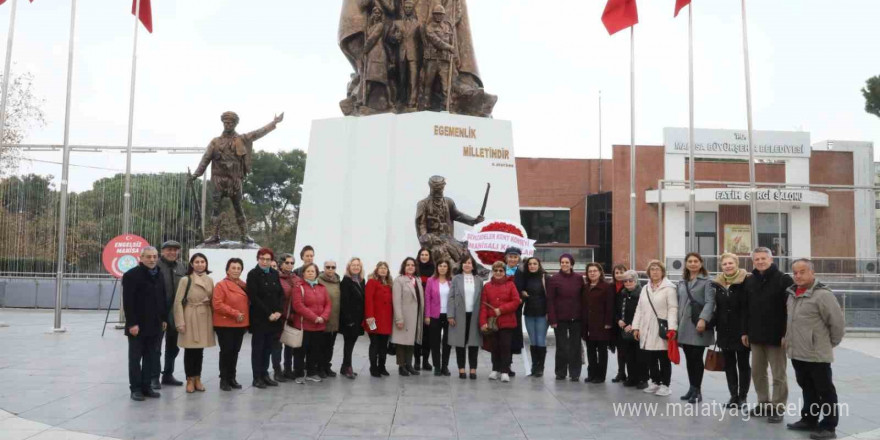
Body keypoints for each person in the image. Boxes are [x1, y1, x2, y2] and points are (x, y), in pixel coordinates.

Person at [784, 259, 845, 440]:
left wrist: (828, 343)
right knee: (807, 388)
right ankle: (809, 419)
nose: (798, 275)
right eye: (795, 272)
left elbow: (837, 324)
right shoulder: (792, 294)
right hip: (797, 352)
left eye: (802, 272)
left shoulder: (822, 295)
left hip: (817, 354)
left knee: (825, 390)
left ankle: (829, 426)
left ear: (812, 272)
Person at [742, 247, 793, 423]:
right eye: (757, 259)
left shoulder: (783, 279)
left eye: (763, 258)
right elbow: (746, 308)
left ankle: (778, 407)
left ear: (771, 260)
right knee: (757, 372)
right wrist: (745, 331)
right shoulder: (750, 280)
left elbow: (790, 309)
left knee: (778, 374)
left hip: (776, 336)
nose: (760, 262)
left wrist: (786, 333)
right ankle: (763, 404)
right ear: (753, 261)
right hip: (755, 335)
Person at [122, 247, 167, 401]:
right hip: (138, 326)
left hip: (155, 325)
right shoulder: (131, 275)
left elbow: (162, 299)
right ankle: (135, 388)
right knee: (135, 359)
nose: (152, 259)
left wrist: (164, 319)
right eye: (148, 257)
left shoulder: (159, 274)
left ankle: (146, 387)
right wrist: (132, 324)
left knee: (151, 357)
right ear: (140, 258)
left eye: (154, 256)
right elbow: (128, 302)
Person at [631, 260, 678, 397]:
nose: (655, 272)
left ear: (662, 271)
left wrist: (672, 328)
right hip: (646, 328)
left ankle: (665, 384)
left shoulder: (669, 288)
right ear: (648, 272)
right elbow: (639, 309)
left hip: (662, 328)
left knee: (663, 358)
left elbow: (673, 309)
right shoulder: (645, 288)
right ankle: (655, 381)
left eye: (658, 269)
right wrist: (636, 327)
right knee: (650, 357)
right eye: (652, 269)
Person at [675, 252, 716, 403]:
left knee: (696, 358)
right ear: (686, 264)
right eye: (690, 261)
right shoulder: (682, 282)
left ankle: (697, 391)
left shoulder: (707, 281)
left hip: (698, 325)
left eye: (696, 261)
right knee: (689, 359)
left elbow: (710, 302)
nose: (693, 263)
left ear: (701, 263)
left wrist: (703, 319)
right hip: (684, 326)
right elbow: (679, 304)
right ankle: (692, 388)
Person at [173, 253, 216, 393]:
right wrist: (180, 322)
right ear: (191, 264)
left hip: (204, 316)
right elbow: (178, 301)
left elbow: (213, 298)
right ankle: (189, 379)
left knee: (200, 350)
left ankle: (198, 378)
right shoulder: (186, 280)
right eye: (197, 262)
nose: (200, 264)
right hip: (190, 315)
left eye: (203, 261)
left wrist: (209, 302)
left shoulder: (209, 280)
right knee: (190, 349)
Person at [712, 253, 751, 408]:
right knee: (729, 364)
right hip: (723, 330)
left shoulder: (746, 281)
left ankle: (743, 397)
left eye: (730, 263)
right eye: (725, 264)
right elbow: (717, 307)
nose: (728, 266)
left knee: (743, 364)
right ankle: (733, 396)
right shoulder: (718, 284)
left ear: (737, 264)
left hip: (741, 331)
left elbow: (748, 308)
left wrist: (746, 331)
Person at [246, 248, 284, 389]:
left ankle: (265, 375)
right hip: (260, 319)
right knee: (258, 349)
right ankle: (257, 377)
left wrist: (279, 312)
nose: (265, 261)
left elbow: (280, 294)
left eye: (268, 259)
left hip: (275, 319)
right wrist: (269, 313)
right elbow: (254, 297)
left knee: (268, 348)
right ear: (258, 259)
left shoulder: (274, 273)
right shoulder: (253, 274)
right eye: (262, 258)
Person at [480, 261, 522, 383]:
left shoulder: (511, 285)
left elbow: (516, 301)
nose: (498, 273)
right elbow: (483, 306)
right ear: (493, 271)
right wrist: (483, 322)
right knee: (495, 346)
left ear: (504, 272)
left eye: (501, 270)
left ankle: (505, 371)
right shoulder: (487, 286)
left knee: (505, 346)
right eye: (496, 270)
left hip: (507, 321)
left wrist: (502, 309)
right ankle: (495, 369)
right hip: (493, 322)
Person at [153, 240, 186, 389]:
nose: (172, 252)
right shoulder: (155, 265)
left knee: (173, 347)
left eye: (175, 250)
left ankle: (168, 374)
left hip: (175, 313)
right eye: (169, 250)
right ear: (162, 251)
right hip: (159, 312)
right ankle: (153, 376)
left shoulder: (181, 266)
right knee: (156, 347)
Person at [212, 258, 249, 391]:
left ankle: (232, 377)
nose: (236, 271)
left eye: (238, 268)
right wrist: (235, 313)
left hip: (240, 324)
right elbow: (217, 304)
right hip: (225, 324)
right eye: (233, 268)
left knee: (235, 352)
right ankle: (224, 379)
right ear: (227, 269)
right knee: (226, 352)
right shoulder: (221, 285)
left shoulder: (243, 285)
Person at [292, 263, 332, 384]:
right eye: (308, 271)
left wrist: (323, 317)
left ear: (316, 273)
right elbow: (298, 305)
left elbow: (328, 304)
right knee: (300, 351)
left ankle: (311, 372)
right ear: (303, 273)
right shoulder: (299, 287)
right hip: (304, 326)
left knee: (315, 351)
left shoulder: (322, 287)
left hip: (319, 326)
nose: (310, 273)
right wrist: (314, 317)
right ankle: (298, 373)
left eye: (313, 271)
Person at [547, 253, 584, 381]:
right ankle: (560, 372)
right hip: (560, 319)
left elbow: (583, 298)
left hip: (576, 318)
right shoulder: (554, 279)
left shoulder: (579, 278)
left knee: (575, 346)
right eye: (562, 262)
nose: (564, 264)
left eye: (567, 262)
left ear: (572, 264)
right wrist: (552, 319)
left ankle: (575, 373)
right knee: (561, 346)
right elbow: (550, 300)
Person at [448, 254, 483, 380]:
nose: (467, 265)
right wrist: (450, 315)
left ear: (473, 266)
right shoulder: (456, 279)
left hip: (474, 315)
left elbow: (482, 299)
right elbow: (451, 297)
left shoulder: (479, 280)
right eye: (465, 262)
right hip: (459, 315)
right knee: (460, 343)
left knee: (474, 343)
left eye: (470, 263)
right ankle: (461, 369)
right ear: (461, 265)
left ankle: (473, 369)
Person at [392, 257, 425, 376]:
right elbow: (396, 301)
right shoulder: (399, 280)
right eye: (408, 265)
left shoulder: (417, 280)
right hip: (404, 316)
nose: (410, 267)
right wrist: (399, 318)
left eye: (413, 265)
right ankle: (401, 366)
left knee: (411, 341)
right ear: (404, 267)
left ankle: (409, 365)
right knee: (401, 342)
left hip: (415, 316)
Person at [582, 262, 615, 384]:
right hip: (588, 324)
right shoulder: (585, 287)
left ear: (600, 272)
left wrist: (608, 323)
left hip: (601, 324)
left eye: (595, 271)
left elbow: (610, 306)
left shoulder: (607, 287)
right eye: (590, 271)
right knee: (590, 350)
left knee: (601, 351)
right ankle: (591, 374)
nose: (592, 273)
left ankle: (600, 376)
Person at [616, 270, 647, 389]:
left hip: (638, 329)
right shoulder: (622, 293)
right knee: (628, 355)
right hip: (625, 329)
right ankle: (632, 378)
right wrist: (619, 321)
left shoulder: (642, 293)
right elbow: (617, 310)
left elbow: (643, 312)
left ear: (636, 280)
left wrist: (633, 326)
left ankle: (643, 379)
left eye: (630, 280)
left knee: (640, 356)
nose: (628, 283)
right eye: (625, 281)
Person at [424, 259, 453, 376]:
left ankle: (445, 366)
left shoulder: (451, 281)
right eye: (440, 266)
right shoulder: (431, 281)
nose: (442, 268)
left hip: (448, 315)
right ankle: (437, 366)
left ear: (448, 268)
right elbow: (427, 299)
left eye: (445, 266)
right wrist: (427, 315)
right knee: (435, 342)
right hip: (434, 315)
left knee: (447, 342)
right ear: (437, 268)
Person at [365, 261, 394, 378]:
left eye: (385, 268)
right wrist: (370, 316)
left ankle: (382, 366)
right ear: (376, 270)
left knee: (383, 345)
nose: (383, 270)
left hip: (386, 319)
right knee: (375, 344)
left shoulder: (389, 284)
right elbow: (368, 300)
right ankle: (373, 367)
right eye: (381, 268)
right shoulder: (372, 282)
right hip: (374, 319)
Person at [521, 257, 549, 378]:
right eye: (530, 264)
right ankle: (534, 365)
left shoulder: (545, 277)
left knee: (540, 339)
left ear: (539, 265)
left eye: (534, 264)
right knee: (533, 340)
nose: (532, 266)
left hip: (542, 312)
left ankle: (540, 367)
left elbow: (551, 296)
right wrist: (522, 293)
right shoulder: (524, 278)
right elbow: (519, 290)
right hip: (529, 312)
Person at [339, 257, 366, 379]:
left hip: (358, 319)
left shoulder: (361, 280)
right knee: (348, 344)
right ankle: (348, 367)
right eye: (353, 265)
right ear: (349, 267)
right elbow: (344, 302)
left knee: (351, 343)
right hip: (349, 320)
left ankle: (344, 367)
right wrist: (348, 320)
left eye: (358, 265)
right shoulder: (346, 281)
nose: (356, 267)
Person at [276, 253, 301, 382]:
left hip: (293, 316)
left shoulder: (296, 279)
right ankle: (277, 370)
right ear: (281, 264)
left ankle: (288, 368)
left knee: (290, 344)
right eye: (287, 262)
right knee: (278, 345)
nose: (290, 265)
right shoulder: (276, 277)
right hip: (280, 316)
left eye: (292, 263)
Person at [318, 259, 342, 378]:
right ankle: (320, 367)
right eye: (328, 267)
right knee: (321, 345)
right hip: (323, 319)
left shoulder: (338, 281)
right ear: (324, 268)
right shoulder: (319, 280)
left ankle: (327, 366)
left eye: (333, 267)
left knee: (330, 346)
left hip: (335, 319)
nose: (330, 269)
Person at [504, 247, 525, 377]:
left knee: (510, 337)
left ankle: (507, 365)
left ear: (518, 259)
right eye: (510, 257)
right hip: (500, 308)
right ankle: (498, 365)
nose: (512, 259)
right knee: (500, 337)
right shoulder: (499, 269)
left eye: (515, 257)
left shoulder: (522, 272)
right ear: (506, 258)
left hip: (515, 308)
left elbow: (525, 287)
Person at [415, 247, 435, 371]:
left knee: (428, 336)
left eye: (426, 254)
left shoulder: (434, 270)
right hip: (416, 306)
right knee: (417, 334)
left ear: (429, 256)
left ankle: (426, 361)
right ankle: (417, 361)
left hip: (429, 307)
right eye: (422, 254)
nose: (424, 256)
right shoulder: (415, 269)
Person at [610, 264, 629, 384]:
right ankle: (621, 372)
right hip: (616, 322)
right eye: (617, 273)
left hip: (628, 323)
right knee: (620, 350)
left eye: (621, 272)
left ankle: (632, 373)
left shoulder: (628, 286)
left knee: (628, 350)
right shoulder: (610, 287)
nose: (619, 275)